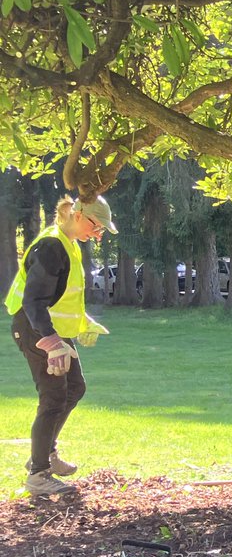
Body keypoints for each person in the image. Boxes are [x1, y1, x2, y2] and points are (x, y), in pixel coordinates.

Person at [6, 195, 116, 496]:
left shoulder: (68, 244)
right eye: (96, 226)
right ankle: (38, 474)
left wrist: (83, 322)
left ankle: (46, 454)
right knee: (53, 397)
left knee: (75, 388)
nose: (98, 234)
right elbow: (33, 301)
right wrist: (52, 342)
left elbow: (61, 297)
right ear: (77, 214)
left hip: (50, 329)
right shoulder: (52, 245)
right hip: (35, 330)